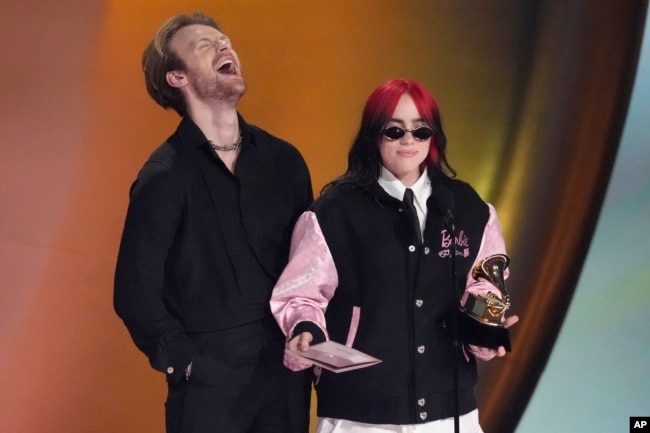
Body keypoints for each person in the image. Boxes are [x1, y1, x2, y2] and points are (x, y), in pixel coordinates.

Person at [270, 78, 519, 433]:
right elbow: (301, 294)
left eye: (421, 131)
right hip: (360, 414)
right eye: (394, 130)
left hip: (449, 412)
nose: (409, 140)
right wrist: (306, 327)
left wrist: (485, 326)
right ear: (374, 134)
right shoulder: (335, 213)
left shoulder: (467, 208)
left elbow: (483, 286)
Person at [113, 11, 313, 433]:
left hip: (285, 374)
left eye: (225, 41)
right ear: (176, 78)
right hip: (209, 386)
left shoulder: (285, 161)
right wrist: (184, 363)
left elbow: (310, 265)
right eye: (204, 44)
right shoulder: (163, 176)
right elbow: (134, 292)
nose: (225, 47)